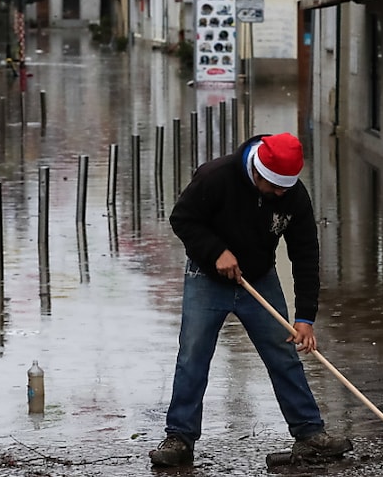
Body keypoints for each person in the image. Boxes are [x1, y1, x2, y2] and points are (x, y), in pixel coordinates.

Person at [149, 132, 353, 468]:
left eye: (285, 189)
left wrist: (305, 318)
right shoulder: (216, 177)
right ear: (257, 172)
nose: (279, 195)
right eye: (273, 188)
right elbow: (182, 219)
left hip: (259, 278)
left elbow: (305, 254)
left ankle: (308, 433)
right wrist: (216, 252)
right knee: (193, 357)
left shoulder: (293, 197)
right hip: (207, 278)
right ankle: (179, 439)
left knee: (284, 354)